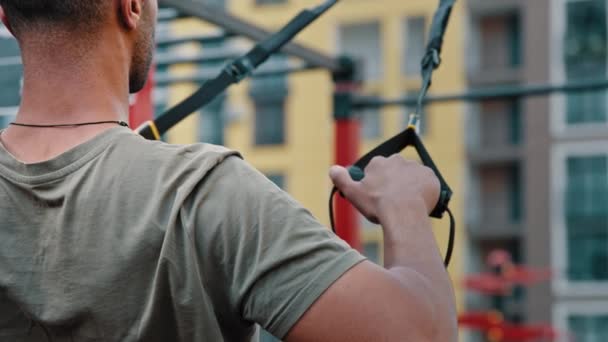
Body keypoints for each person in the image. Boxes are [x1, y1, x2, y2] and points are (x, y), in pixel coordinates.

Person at [0, 0, 457, 341]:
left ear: (6, 17)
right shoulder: (203, 193)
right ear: (132, 6)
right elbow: (421, 332)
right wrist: (404, 207)